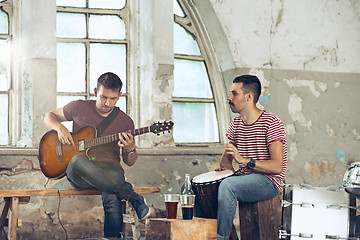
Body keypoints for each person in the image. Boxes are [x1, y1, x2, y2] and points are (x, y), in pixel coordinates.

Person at [43, 72, 150, 238]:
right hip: (80, 172)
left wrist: (130, 148)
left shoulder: (125, 122)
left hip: (110, 171)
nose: (107, 103)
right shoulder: (78, 107)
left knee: (112, 197)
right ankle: (132, 196)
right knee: (78, 159)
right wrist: (59, 127)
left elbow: (129, 162)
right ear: (95, 92)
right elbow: (49, 116)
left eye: (113, 99)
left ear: (119, 95)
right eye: (103, 97)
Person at [216, 75, 287, 240]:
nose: (229, 98)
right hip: (245, 178)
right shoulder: (236, 124)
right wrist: (227, 172)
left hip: (269, 181)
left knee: (228, 186)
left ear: (249, 97)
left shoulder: (271, 122)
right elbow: (226, 161)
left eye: (234, 93)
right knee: (202, 187)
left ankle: (221, 238)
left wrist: (244, 161)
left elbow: (277, 167)